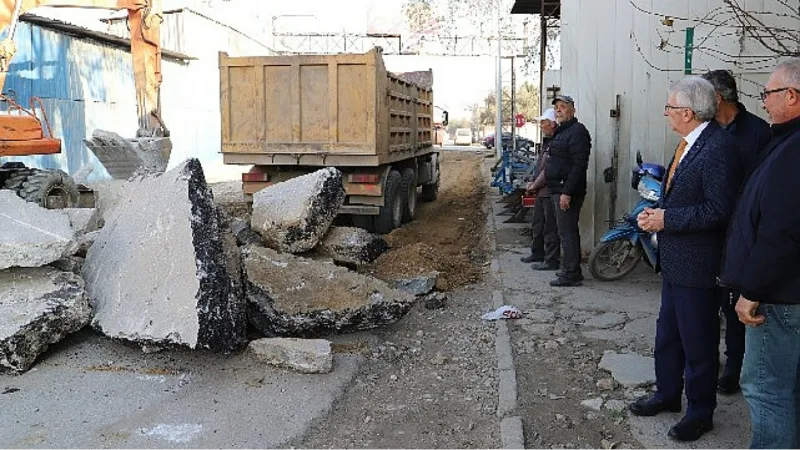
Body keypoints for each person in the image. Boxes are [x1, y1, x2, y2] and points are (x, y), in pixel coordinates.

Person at [628, 76, 742, 442]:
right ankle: (667, 394)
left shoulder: (718, 148)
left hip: (699, 265)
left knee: (699, 343)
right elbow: (681, 199)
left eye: (670, 108)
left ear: (689, 112)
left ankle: (700, 412)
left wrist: (668, 219)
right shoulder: (688, 144)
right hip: (676, 261)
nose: (666, 114)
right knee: (668, 337)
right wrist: (657, 214)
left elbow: (719, 210)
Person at [718, 58, 800, 450]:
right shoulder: (783, 141)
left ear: (792, 96)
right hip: (782, 291)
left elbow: (782, 231)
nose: (763, 102)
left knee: (766, 387)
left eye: (768, 94)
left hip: (778, 297)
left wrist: (751, 291)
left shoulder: (793, 148)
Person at [701, 69, 772, 396]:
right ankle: (706, 359)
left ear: (717, 98)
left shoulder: (759, 133)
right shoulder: (706, 130)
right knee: (706, 300)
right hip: (707, 230)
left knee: (734, 303)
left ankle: (734, 366)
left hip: (742, 232)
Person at [543, 95, 591, 286]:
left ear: (573, 110)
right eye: (557, 108)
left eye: (563, 107)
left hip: (566, 191)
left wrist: (566, 192)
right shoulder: (562, 132)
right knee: (565, 231)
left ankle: (571, 273)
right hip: (558, 189)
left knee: (568, 232)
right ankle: (570, 270)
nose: (559, 111)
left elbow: (579, 165)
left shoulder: (578, 132)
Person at [520, 108, 560, 270]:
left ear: (552, 124)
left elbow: (548, 170)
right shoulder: (547, 142)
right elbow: (539, 166)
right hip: (541, 191)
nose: (541, 126)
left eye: (544, 123)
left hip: (549, 190)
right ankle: (537, 253)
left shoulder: (556, 143)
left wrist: (534, 185)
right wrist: (532, 180)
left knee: (550, 227)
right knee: (538, 224)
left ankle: (551, 260)